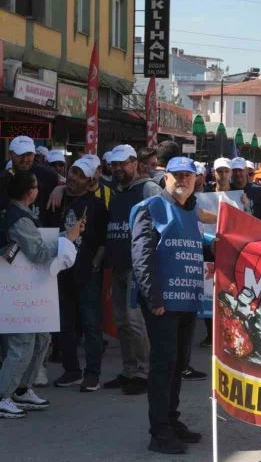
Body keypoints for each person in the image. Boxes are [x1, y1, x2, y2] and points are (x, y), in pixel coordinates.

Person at [130, 157, 205, 454]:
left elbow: (200, 244)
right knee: (163, 367)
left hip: (187, 301)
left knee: (178, 365)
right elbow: (142, 254)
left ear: (196, 180)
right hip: (163, 304)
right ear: (166, 178)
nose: (183, 180)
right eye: (177, 175)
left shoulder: (192, 211)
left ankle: (171, 421)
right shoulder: (151, 207)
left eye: (188, 175)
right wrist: (153, 298)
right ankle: (159, 432)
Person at [0, 170, 83, 418]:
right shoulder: (19, 219)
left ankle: (21, 389)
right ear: (30, 192)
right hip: (19, 296)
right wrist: (68, 239)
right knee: (22, 344)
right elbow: (38, 253)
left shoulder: (21, 215)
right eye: (36, 186)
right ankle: (3, 395)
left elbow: (37, 244)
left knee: (41, 339)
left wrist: (66, 236)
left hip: (29, 294)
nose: (38, 190)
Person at [103, 144, 162, 395]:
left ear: (135, 163)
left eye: (123, 164)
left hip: (137, 267)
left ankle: (143, 373)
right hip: (118, 264)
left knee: (134, 321)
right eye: (114, 165)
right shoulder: (117, 191)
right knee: (122, 321)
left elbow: (163, 222)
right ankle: (129, 370)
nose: (118, 169)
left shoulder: (148, 189)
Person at [46, 157, 108, 392]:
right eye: (73, 172)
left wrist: (95, 264)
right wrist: (59, 188)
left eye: (81, 176)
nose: (74, 178)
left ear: (90, 181)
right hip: (61, 272)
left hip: (87, 272)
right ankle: (71, 370)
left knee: (91, 324)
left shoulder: (97, 205)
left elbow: (103, 241)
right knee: (65, 324)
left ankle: (92, 374)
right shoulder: (57, 199)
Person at [0, 136, 59, 221]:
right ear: (10, 154)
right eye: (20, 155)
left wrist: (61, 188)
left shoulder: (47, 175)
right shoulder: (3, 179)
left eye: (29, 154)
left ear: (34, 155)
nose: (24, 159)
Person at [231, 157, 261, 224]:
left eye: (240, 170)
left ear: (246, 171)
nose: (237, 173)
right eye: (235, 170)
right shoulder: (227, 190)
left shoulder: (259, 191)